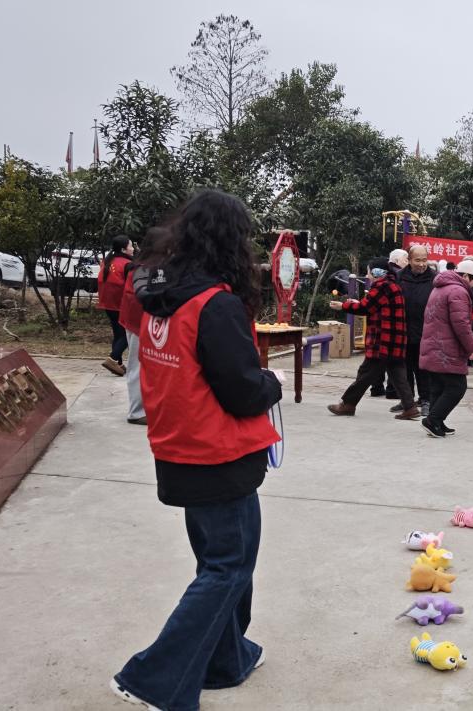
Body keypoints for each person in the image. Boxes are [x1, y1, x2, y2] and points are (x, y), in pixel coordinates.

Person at [112, 190, 281, 711]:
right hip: (219, 455)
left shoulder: (162, 298)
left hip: (180, 450)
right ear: (231, 241)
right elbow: (242, 390)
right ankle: (152, 678)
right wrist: (270, 383)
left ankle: (225, 660)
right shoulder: (216, 304)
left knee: (222, 563)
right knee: (227, 567)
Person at [326, 258, 418, 420]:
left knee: (365, 373)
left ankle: (348, 404)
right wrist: (358, 303)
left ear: (377, 272)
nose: (368, 275)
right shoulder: (393, 285)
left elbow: (365, 307)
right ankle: (410, 407)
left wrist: (343, 306)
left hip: (382, 340)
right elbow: (374, 306)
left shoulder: (382, 286)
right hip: (395, 340)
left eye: (369, 272)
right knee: (398, 374)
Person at [419, 260, 473, 438]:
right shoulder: (458, 291)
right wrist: (472, 347)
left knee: (438, 386)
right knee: (457, 387)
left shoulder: (440, 287)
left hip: (434, 344)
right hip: (446, 348)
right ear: (466, 276)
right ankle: (433, 420)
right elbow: (461, 325)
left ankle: (437, 422)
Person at [118, 227, 173, 426]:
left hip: (147, 323)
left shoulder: (155, 266)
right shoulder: (141, 269)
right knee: (137, 365)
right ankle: (136, 411)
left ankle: (149, 407)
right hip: (138, 324)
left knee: (149, 366)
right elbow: (136, 300)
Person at [398, 245, 436, 414]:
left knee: (424, 369)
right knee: (404, 368)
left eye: (424, 260)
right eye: (417, 260)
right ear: (409, 260)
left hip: (426, 332)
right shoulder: (400, 277)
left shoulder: (434, 278)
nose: (421, 264)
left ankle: (426, 400)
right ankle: (407, 401)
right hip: (404, 330)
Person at [98, 234, 134, 376]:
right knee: (128, 334)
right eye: (131, 246)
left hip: (107, 304)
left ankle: (117, 365)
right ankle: (112, 358)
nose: (133, 249)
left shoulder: (107, 261)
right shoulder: (127, 264)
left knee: (118, 334)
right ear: (124, 250)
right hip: (121, 305)